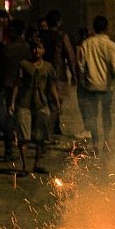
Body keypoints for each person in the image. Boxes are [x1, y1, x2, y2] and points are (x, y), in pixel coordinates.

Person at [8, 38, 60, 174]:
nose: (36, 51)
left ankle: (37, 163)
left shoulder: (48, 67)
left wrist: (56, 101)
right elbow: (18, 84)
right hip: (25, 103)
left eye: (39, 48)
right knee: (23, 137)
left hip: (41, 103)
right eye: (34, 48)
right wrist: (12, 102)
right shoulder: (24, 64)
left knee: (40, 137)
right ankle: (24, 166)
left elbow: (52, 85)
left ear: (43, 50)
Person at [76, 15, 115, 156]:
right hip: (106, 87)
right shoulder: (111, 45)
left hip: (91, 87)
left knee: (93, 116)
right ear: (106, 28)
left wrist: (83, 81)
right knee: (106, 115)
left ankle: (96, 144)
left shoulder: (86, 44)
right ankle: (106, 142)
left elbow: (81, 66)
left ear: (94, 28)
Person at [0, 18, 31, 162]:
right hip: (22, 88)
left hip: (8, 86)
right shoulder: (27, 48)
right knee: (20, 120)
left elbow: (0, 69)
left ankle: (9, 150)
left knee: (9, 120)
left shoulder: (8, 49)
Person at [40, 9, 77, 137]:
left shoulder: (41, 35)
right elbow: (70, 56)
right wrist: (74, 74)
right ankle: (49, 130)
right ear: (59, 22)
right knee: (56, 103)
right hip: (57, 74)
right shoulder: (62, 36)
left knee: (47, 101)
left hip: (42, 72)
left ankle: (54, 127)